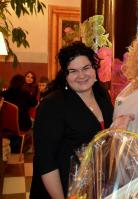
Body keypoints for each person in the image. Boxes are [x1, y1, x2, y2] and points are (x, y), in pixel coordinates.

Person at [30, 41, 114, 199]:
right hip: (61, 188)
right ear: (65, 74)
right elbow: (45, 161)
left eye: (86, 68)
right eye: (73, 71)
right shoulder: (52, 105)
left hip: (94, 186)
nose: (81, 75)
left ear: (94, 68)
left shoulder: (102, 94)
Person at [1, 74, 37, 152]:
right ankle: (27, 147)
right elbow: (34, 103)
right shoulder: (25, 94)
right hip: (22, 124)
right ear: (23, 84)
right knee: (33, 123)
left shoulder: (4, 94)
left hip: (6, 124)